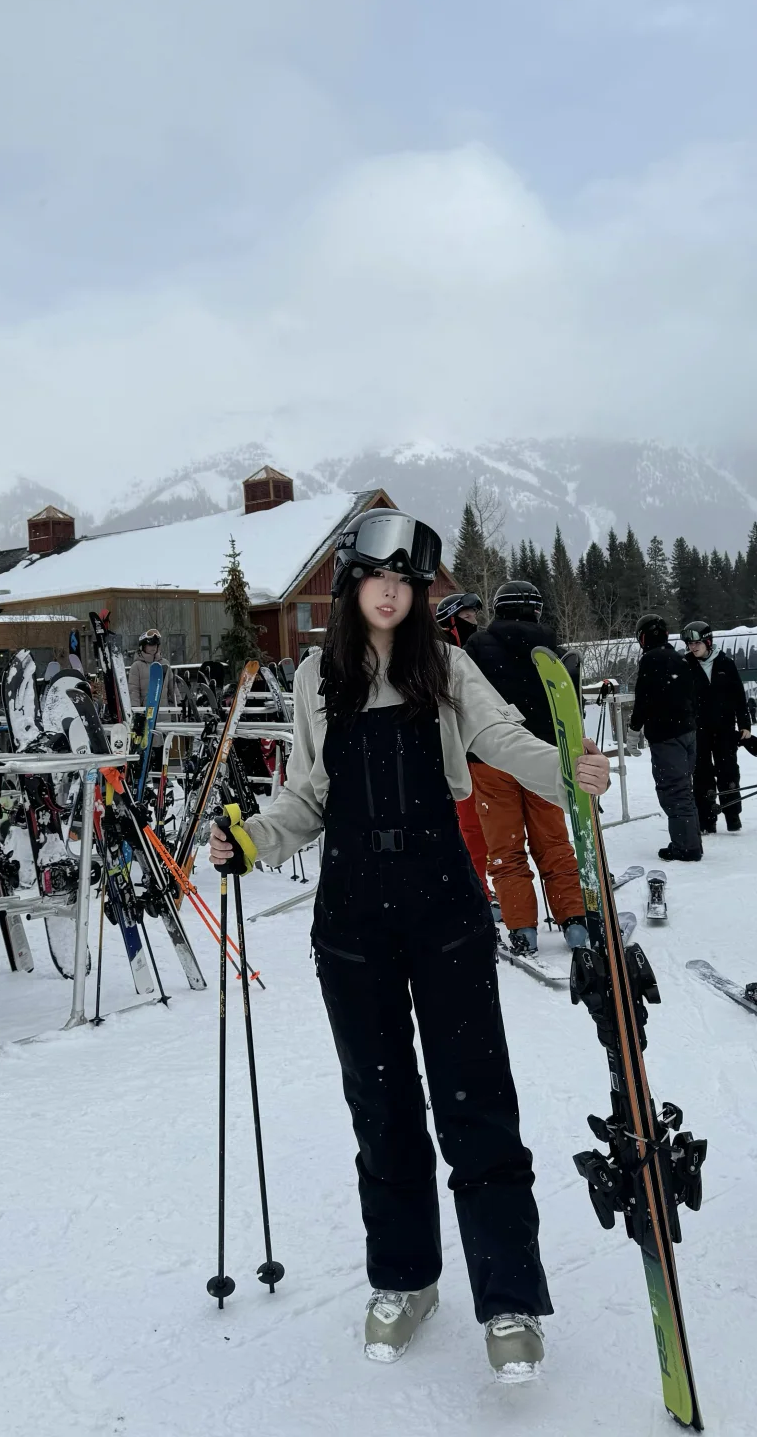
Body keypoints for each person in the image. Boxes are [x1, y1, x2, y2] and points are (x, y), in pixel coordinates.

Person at [208, 510, 609, 1380]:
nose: (391, 590)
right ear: (353, 585)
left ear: (419, 593)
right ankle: (406, 1280)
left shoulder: (448, 664)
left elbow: (504, 741)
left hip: (443, 908)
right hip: (352, 919)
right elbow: (308, 797)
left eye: (408, 580)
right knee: (381, 1109)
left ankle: (508, 1300)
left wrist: (564, 767)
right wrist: (251, 840)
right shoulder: (319, 675)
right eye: (375, 575)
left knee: (477, 1103)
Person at [462, 582, 588, 957]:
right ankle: (575, 921)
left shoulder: (476, 648)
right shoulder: (555, 654)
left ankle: (522, 929)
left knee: (505, 848)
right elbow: (572, 711)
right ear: (537, 610)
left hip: (491, 759)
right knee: (553, 844)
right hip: (545, 759)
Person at [629, 614, 702, 861]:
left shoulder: (651, 659)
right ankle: (690, 841)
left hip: (667, 735)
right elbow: (692, 695)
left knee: (674, 791)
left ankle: (686, 847)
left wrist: (633, 728)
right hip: (687, 733)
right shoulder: (679, 658)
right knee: (684, 789)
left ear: (643, 637)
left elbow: (644, 697)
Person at [434, 592, 491, 898]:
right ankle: (472, 888)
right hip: (449, 753)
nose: (475, 622)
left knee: (482, 828)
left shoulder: (476, 650)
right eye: (468, 617)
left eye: (475, 616)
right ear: (452, 621)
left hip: (476, 750)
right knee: (467, 827)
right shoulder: (438, 654)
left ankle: (479, 885)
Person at [682, 619, 751, 835]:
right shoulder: (685, 666)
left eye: (697, 644)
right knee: (702, 774)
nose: (693, 648)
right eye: (690, 645)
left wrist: (745, 723)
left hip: (725, 728)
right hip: (698, 730)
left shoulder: (725, 664)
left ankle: (733, 815)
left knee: (728, 771)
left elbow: (739, 696)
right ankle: (706, 819)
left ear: (708, 642)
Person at [128, 629, 166, 712]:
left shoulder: (165, 664)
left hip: (165, 712)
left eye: (155, 644)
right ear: (143, 646)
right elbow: (133, 691)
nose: (153, 647)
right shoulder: (136, 666)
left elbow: (173, 688)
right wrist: (136, 711)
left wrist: (179, 705)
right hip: (146, 714)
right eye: (150, 644)